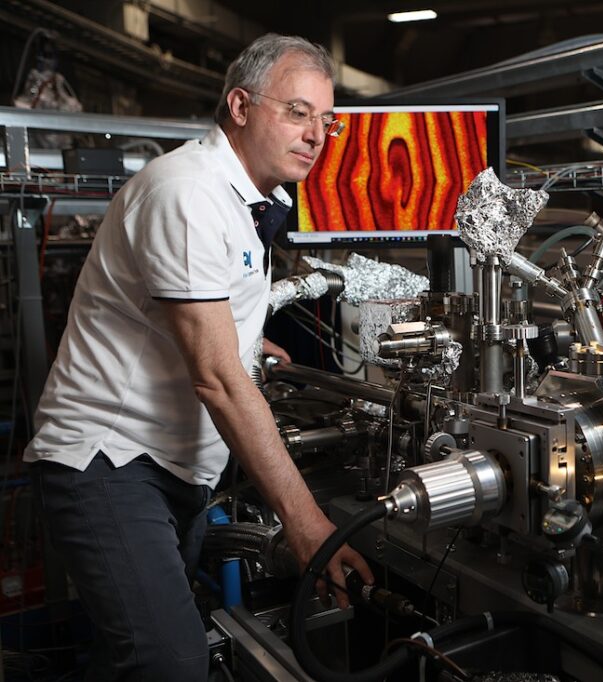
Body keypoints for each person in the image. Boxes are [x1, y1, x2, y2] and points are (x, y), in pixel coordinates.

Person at [24, 34, 371, 681]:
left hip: (174, 470)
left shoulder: (251, 202)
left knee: (131, 656)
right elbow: (215, 378)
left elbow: (206, 329)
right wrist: (308, 525)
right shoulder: (188, 192)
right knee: (171, 662)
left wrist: (247, 343)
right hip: (111, 463)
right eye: (297, 112)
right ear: (239, 106)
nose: (317, 135)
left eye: (327, 121)